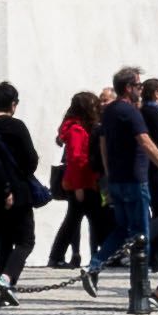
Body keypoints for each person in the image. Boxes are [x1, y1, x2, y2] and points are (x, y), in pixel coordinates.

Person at [0, 84, 46, 300]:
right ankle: (7, 279)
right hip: (19, 193)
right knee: (26, 241)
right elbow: (31, 160)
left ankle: (5, 294)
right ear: (13, 104)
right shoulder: (17, 127)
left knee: (3, 245)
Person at [96, 70, 157, 305]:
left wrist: (109, 173)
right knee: (142, 234)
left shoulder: (108, 111)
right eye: (139, 85)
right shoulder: (130, 112)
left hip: (117, 181)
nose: (141, 89)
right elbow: (145, 142)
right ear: (128, 87)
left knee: (121, 230)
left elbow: (103, 143)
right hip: (134, 180)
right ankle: (141, 287)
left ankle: (94, 266)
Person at [49, 85, 102, 273]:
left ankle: (59, 255)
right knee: (83, 219)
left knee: (76, 219)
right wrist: (79, 186)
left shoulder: (76, 128)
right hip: (81, 182)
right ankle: (60, 256)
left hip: (81, 181)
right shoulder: (77, 130)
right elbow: (76, 159)